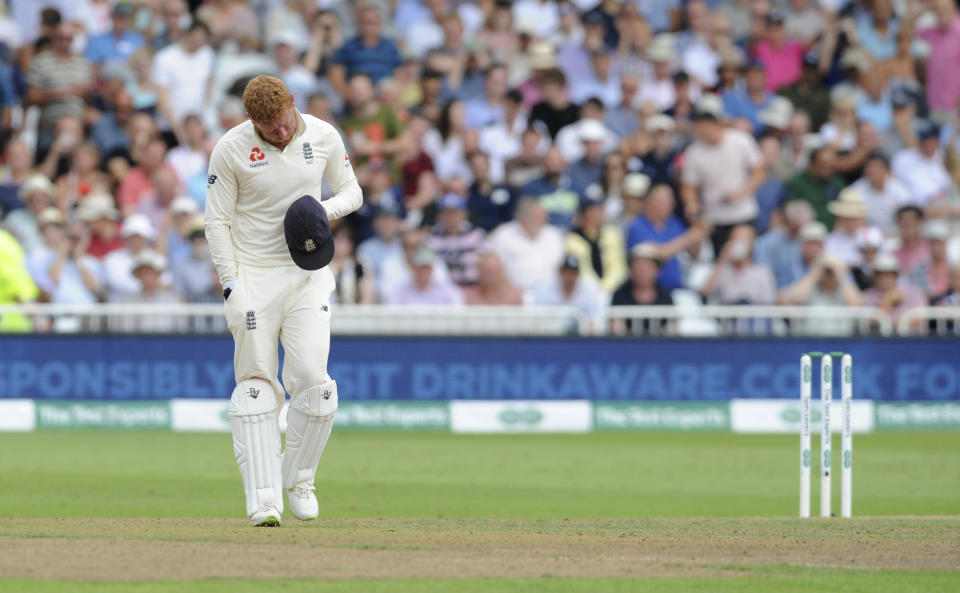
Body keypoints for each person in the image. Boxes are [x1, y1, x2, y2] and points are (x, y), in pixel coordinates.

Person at [204, 76, 362, 527]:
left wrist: (320, 211)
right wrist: (231, 285)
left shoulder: (324, 133)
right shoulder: (231, 148)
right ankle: (264, 500)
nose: (279, 132)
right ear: (252, 120)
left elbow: (353, 192)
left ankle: (300, 479)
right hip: (253, 276)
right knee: (255, 388)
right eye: (267, 126)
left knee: (315, 383)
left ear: (294, 103)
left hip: (307, 272)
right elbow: (216, 222)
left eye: (283, 120)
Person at [680, 95, 766, 255]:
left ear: (715, 123)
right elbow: (688, 186)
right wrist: (691, 203)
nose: (700, 129)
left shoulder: (741, 140)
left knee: (743, 258)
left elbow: (759, 172)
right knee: (720, 260)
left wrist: (741, 192)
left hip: (743, 214)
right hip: (714, 218)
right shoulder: (694, 152)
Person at [486, 196, 564, 291]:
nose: (544, 220)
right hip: (512, 296)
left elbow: (562, 270)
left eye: (544, 216)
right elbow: (492, 269)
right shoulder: (503, 236)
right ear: (523, 217)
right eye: (538, 216)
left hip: (549, 297)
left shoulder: (554, 236)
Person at [532, 254, 606, 333]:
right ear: (560, 272)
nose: (570, 277)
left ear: (578, 274)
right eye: (566, 272)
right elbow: (538, 320)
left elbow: (593, 320)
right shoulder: (544, 288)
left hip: (580, 339)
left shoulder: (589, 289)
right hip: (551, 337)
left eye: (573, 273)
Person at [386, 245, 464, 305]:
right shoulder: (399, 292)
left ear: (432, 268)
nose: (423, 271)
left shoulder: (448, 291)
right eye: (419, 267)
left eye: (426, 267)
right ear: (412, 267)